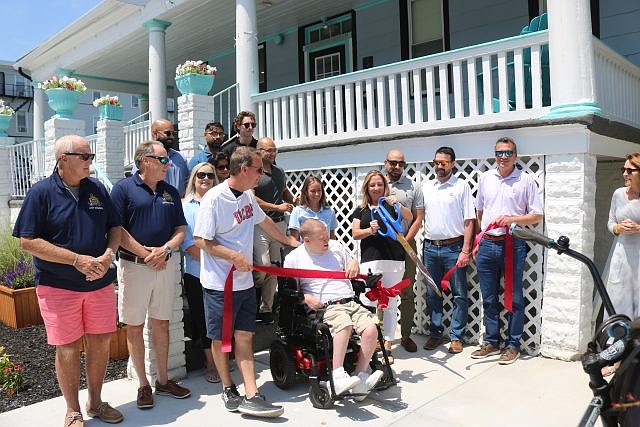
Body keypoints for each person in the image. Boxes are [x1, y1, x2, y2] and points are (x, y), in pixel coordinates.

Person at [12, 135, 123, 426]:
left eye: (91, 156)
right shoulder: (41, 193)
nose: (90, 161)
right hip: (58, 285)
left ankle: (96, 402)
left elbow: (115, 227)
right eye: (84, 156)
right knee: (69, 347)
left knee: (100, 343)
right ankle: (72, 410)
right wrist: (76, 260)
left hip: (99, 282)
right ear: (63, 159)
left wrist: (109, 254)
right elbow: (28, 241)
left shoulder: (96, 188)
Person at [193, 146, 299, 418]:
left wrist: (291, 242)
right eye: (258, 170)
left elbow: (267, 225)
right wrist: (231, 256)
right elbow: (201, 240)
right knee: (220, 339)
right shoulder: (214, 199)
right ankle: (228, 388)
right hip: (219, 285)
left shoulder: (249, 200)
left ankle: (252, 393)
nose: (261, 176)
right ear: (243, 169)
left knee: (244, 336)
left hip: (244, 284)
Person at [110, 141, 191, 409]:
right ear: (145, 161)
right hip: (134, 267)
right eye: (164, 160)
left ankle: (163, 381)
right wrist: (146, 254)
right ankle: (143, 384)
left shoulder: (169, 191)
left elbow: (180, 229)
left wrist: (164, 250)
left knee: (162, 323)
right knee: (134, 326)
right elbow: (117, 230)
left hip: (165, 265)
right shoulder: (123, 189)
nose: (170, 165)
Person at [283, 219, 384, 401]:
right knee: (344, 324)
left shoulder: (336, 246)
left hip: (350, 301)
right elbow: (288, 291)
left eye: (326, 236)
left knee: (371, 328)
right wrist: (304, 298)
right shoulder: (294, 259)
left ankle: (360, 376)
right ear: (306, 240)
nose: (326, 241)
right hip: (326, 306)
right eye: (321, 239)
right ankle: (337, 375)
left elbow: (353, 261)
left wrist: (354, 262)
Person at [472, 137, 543, 365]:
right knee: (489, 296)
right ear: (495, 155)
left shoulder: (525, 180)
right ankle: (492, 341)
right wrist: (478, 240)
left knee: (514, 297)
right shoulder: (485, 178)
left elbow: (536, 215)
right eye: (500, 152)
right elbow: (480, 211)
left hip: (513, 243)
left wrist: (512, 219)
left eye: (508, 152)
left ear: (516, 155)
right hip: (487, 245)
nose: (503, 157)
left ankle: (513, 345)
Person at [351, 170, 412, 365]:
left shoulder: (391, 205)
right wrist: (370, 230)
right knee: (369, 303)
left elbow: (409, 216)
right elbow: (354, 233)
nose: (376, 188)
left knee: (392, 304)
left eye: (379, 184)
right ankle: (369, 342)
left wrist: (398, 204)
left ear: (385, 186)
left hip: (394, 260)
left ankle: (387, 344)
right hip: (372, 261)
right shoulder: (361, 210)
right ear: (366, 188)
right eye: (372, 185)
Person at [421, 147, 475, 354]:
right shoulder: (427, 187)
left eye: (444, 163)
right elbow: (418, 217)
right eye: (436, 162)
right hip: (430, 248)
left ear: (452, 164)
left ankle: (456, 336)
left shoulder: (461, 186)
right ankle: (435, 334)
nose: (439, 167)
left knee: (459, 294)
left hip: (454, 248)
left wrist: (466, 250)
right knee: (432, 293)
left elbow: (469, 220)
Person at [181, 162, 219, 383]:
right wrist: (219, 258)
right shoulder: (186, 206)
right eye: (201, 175)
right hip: (197, 272)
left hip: (220, 273)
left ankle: (220, 359)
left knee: (218, 318)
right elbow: (190, 245)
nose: (206, 178)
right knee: (203, 320)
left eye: (210, 175)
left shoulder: (219, 203)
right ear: (194, 178)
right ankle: (210, 364)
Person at [383, 149, 424, 353]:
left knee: (407, 292)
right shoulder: (376, 184)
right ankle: (382, 337)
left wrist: (406, 242)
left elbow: (418, 218)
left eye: (400, 163)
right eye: (393, 163)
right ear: (386, 163)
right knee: (382, 292)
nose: (396, 167)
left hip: (407, 245)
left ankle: (406, 335)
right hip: (383, 248)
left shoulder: (413, 187)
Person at [252, 137, 295, 324]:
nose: (272, 153)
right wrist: (277, 207)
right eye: (268, 150)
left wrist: (294, 199)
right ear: (259, 150)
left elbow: (284, 191)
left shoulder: (279, 172)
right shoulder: (255, 173)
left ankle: (266, 309)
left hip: (279, 224)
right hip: (260, 224)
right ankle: (253, 293)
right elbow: (253, 200)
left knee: (275, 268)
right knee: (263, 265)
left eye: (274, 150)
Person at [603, 152, 640, 320]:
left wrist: (638, 228)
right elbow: (610, 222)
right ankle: (615, 341)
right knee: (617, 299)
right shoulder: (618, 194)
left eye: (630, 170)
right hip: (621, 256)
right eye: (623, 169)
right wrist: (618, 227)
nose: (625, 174)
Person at [131, 118, 189, 197]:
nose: (172, 137)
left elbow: (187, 183)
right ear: (155, 133)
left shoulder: (181, 158)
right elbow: (136, 186)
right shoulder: (145, 159)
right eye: (168, 133)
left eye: (173, 133)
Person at [288, 176, 338, 241]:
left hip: (325, 250)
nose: (317, 194)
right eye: (313, 191)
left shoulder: (330, 211)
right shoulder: (297, 211)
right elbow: (294, 240)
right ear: (306, 192)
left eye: (319, 190)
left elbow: (332, 238)